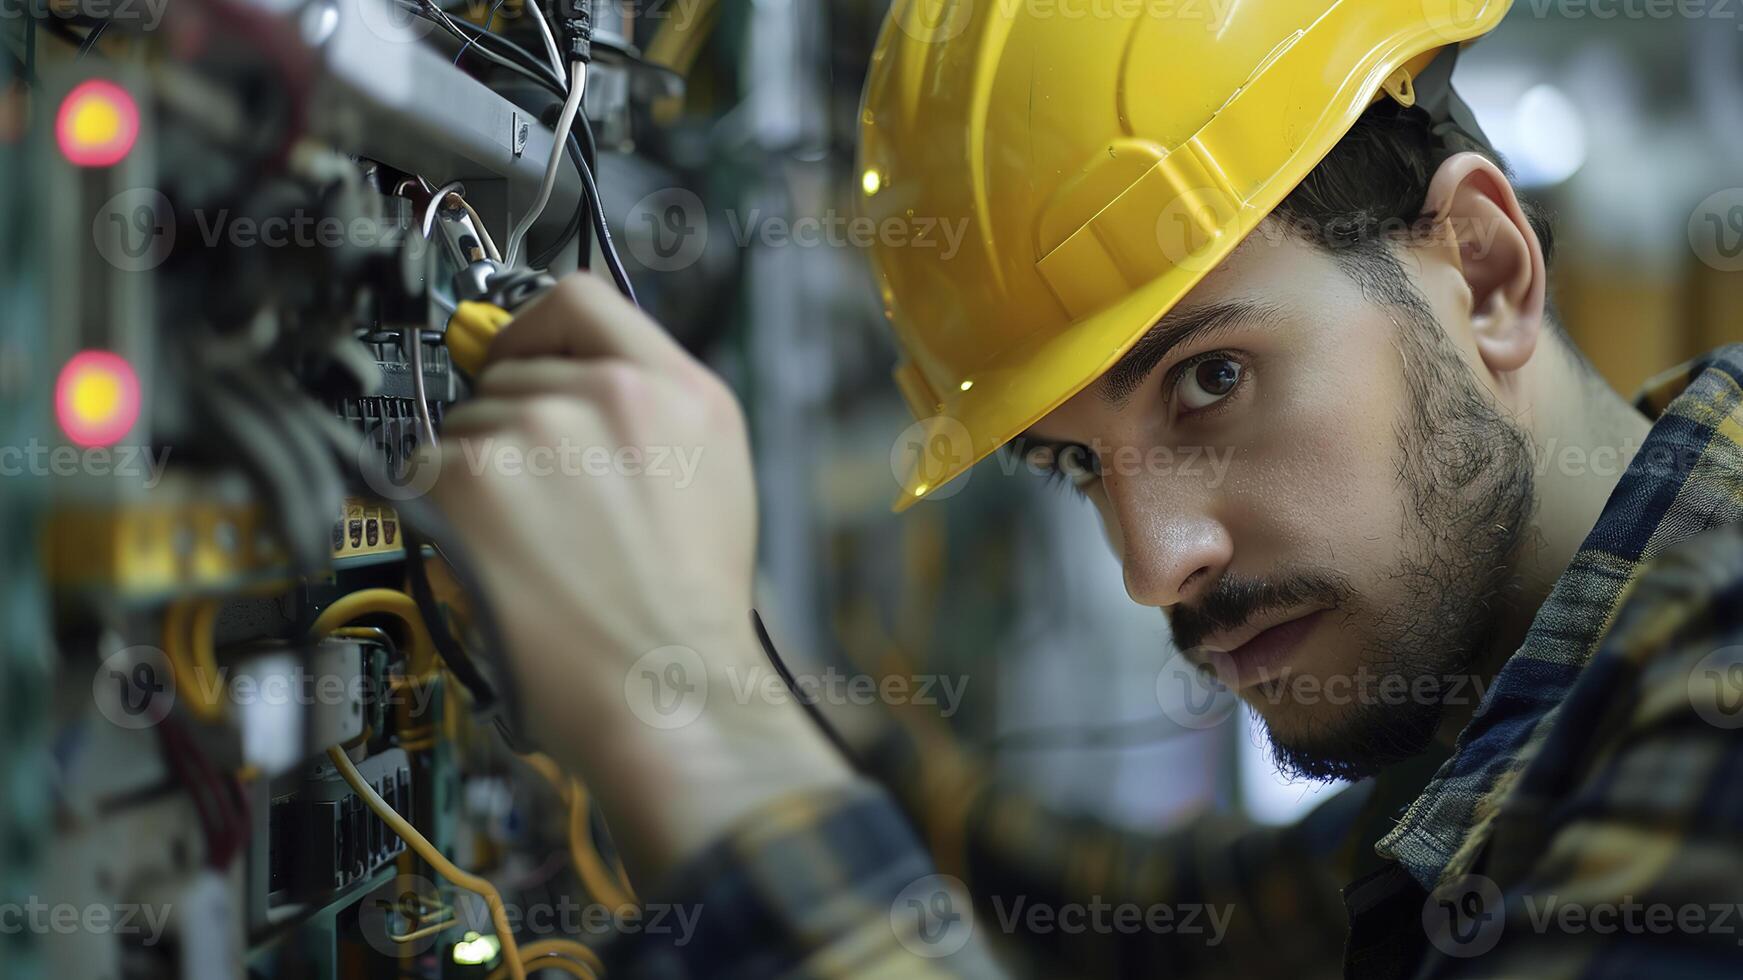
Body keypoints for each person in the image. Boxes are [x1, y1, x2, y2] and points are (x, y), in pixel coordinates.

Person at [430, 1, 1743, 975]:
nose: (1153, 563)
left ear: (1484, 267)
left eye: (1210, 379)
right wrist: (774, 688)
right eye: (1073, 466)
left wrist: (706, 730)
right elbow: (1181, 923)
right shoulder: (1533, 716)